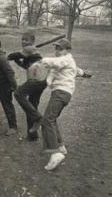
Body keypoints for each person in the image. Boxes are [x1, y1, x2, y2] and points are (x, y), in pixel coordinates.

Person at [37, 39, 91, 171]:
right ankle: (60, 146)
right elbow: (77, 70)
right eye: (56, 49)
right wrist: (85, 74)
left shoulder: (65, 59)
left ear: (67, 50)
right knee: (52, 119)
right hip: (62, 94)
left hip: (61, 93)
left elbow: (56, 63)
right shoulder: (67, 62)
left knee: (47, 120)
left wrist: (42, 60)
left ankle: (55, 153)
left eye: (60, 49)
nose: (57, 51)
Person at [7, 32, 48, 141]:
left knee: (18, 93)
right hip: (42, 81)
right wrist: (17, 61)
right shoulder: (29, 52)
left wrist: (10, 56)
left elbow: (12, 56)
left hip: (36, 80)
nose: (23, 42)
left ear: (32, 42)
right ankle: (32, 135)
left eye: (26, 40)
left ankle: (38, 118)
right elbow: (25, 66)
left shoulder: (29, 49)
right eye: (22, 39)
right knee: (32, 106)